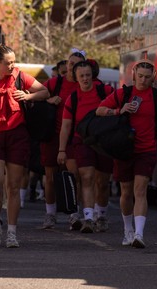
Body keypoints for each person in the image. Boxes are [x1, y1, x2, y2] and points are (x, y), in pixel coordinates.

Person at [0, 40, 49, 248]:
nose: (12, 66)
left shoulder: (20, 77)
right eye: (8, 63)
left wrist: (28, 95)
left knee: (13, 186)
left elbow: (45, 92)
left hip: (17, 135)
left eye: (14, 62)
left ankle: (12, 232)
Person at [96, 58, 157, 248]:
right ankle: (128, 230)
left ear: (154, 77)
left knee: (140, 190)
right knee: (126, 192)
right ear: (133, 74)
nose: (143, 80)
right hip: (124, 149)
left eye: (147, 77)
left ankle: (139, 234)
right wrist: (118, 110)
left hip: (147, 149)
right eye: (140, 76)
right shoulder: (124, 94)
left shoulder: (156, 97)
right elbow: (99, 110)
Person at [57, 60, 114, 233]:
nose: (85, 79)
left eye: (88, 75)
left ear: (93, 75)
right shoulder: (73, 98)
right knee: (86, 177)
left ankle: (101, 215)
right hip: (82, 142)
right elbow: (66, 126)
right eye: (81, 76)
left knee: (102, 182)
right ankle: (88, 218)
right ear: (75, 77)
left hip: (104, 142)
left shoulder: (105, 92)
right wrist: (61, 150)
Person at [40, 49, 86, 230]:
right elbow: (37, 97)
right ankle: (50, 214)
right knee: (50, 177)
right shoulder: (54, 83)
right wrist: (49, 100)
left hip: (74, 138)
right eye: (70, 63)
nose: (72, 67)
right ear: (66, 65)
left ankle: (74, 213)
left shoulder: (84, 84)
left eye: (76, 64)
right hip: (52, 136)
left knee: (75, 176)